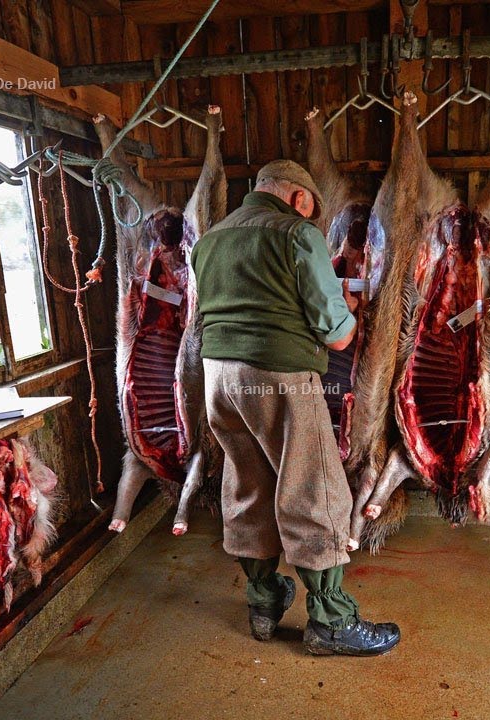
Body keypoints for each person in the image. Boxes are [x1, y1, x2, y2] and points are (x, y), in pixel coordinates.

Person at [190, 160, 400, 656]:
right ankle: (331, 621)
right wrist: (350, 313)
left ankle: (263, 603)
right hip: (278, 378)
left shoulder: (211, 239)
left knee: (247, 485)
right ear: (299, 199)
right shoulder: (297, 234)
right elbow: (341, 333)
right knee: (314, 488)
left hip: (219, 380)